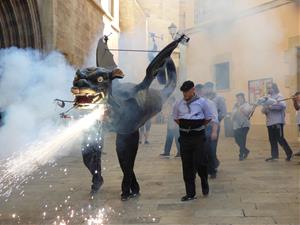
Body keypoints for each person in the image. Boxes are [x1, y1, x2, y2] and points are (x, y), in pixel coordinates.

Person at [173, 80, 213, 201]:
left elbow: (208, 118)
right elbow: (176, 118)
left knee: (200, 162)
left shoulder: (202, 102)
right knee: (187, 165)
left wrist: (196, 126)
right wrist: (187, 126)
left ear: (193, 90)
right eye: (183, 92)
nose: (185, 94)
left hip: (198, 137)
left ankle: (204, 180)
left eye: (187, 91)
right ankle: (190, 193)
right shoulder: (178, 103)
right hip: (185, 138)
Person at [261, 82, 293, 161]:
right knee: (272, 140)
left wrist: (271, 106)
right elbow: (263, 110)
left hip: (278, 121)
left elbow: (282, 106)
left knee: (280, 138)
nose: (269, 89)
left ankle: (289, 153)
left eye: (270, 88)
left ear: (274, 88)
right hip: (269, 122)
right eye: (268, 88)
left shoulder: (279, 96)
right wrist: (265, 108)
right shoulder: (267, 98)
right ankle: (274, 156)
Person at [195, 84, 218, 178]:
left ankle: (212, 170)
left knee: (209, 151)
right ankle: (198, 170)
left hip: (207, 128)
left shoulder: (209, 103)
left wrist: (214, 131)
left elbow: (215, 118)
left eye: (198, 92)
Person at [203, 82, 227, 172]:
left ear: (212, 88)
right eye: (206, 88)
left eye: (209, 87)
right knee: (206, 148)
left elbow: (223, 112)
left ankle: (212, 167)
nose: (207, 89)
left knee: (212, 148)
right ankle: (214, 164)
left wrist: (215, 121)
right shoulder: (203, 99)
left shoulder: (219, 98)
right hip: (204, 127)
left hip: (214, 127)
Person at [231, 92, 253, 161]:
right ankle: (246, 151)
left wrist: (241, 109)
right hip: (236, 125)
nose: (239, 99)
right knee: (237, 140)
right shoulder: (235, 105)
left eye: (240, 98)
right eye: (238, 98)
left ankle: (241, 155)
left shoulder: (247, 105)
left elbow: (248, 114)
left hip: (244, 125)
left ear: (243, 98)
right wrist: (233, 114)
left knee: (242, 140)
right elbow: (232, 115)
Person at [292, 91, 300, 156]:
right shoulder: (298, 102)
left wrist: (294, 101)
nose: (297, 97)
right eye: (296, 96)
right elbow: (296, 108)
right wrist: (294, 101)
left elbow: (297, 108)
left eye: (298, 96)